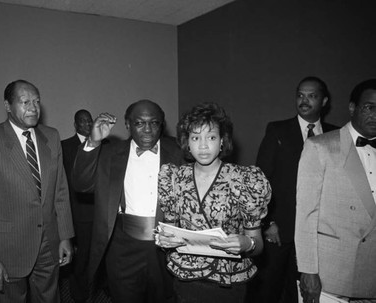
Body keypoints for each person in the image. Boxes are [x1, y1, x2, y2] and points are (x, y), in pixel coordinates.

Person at [0, 80, 74, 303]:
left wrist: (65, 236)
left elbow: (60, 191)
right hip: (9, 248)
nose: (33, 108)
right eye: (25, 102)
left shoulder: (52, 137)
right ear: (7, 106)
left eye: (36, 101)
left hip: (49, 242)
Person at [156, 102, 271, 303]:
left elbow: (258, 243)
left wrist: (248, 244)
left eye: (211, 137)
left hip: (228, 281)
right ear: (187, 143)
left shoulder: (244, 179)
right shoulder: (175, 178)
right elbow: (171, 232)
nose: (202, 145)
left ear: (222, 142)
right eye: (195, 137)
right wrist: (165, 241)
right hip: (186, 279)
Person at [72, 99, 184, 303]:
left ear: (162, 124)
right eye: (140, 123)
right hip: (123, 248)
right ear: (128, 124)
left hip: (167, 246)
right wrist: (94, 142)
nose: (148, 130)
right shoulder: (111, 153)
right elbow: (81, 184)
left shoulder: (179, 152)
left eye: (154, 123)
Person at [251, 76, 338, 303]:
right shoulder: (277, 131)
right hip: (279, 232)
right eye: (300, 95)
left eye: (312, 96)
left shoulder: (336, 135)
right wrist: (268, 222)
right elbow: (260, 181)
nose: (304, 100)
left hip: (320, 235)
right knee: (268, 292)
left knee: (305, 295)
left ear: (325, 101)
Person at [295, 79, 376, 302]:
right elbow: (305, 216)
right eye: (370, 107)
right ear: (352, 108)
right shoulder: (319, 147)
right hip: (330, 277)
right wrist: (308, 271)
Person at [61, 109, 94, 303]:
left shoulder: (104, 145)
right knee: (80, 261)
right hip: (78, 214)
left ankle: (105, 289)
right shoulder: (65, 147)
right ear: (76, 124)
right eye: (83, 121)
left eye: (90, 120)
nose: (87, 124)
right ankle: (79, 296)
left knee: (103, 258)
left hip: (101, 213)